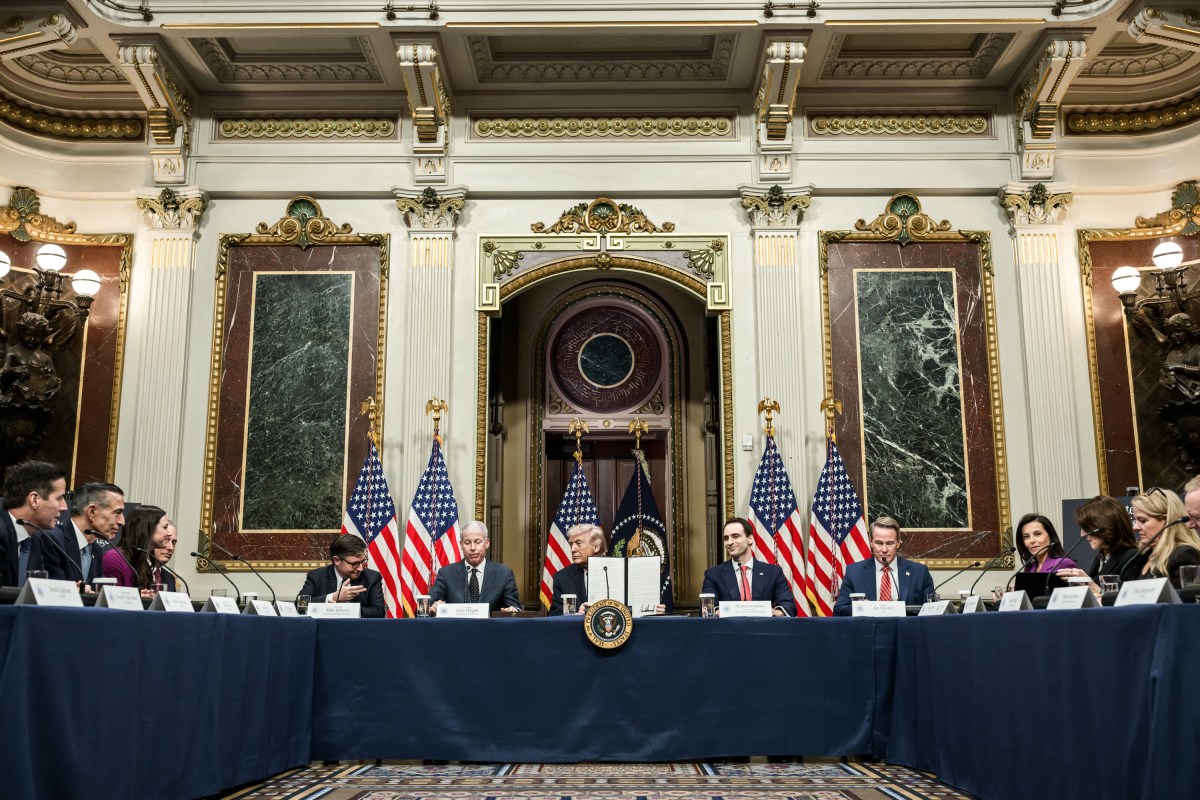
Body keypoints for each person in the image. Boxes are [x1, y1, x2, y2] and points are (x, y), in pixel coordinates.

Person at [834, 516, 935, 616]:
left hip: (906, 630)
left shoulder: (920, 573)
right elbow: (839, 610)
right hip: (869, 630)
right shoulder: (854, 572)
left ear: (898, 543)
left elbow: (933, 610)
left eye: (890, 543)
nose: (884, 549)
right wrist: (864, 608)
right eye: (879, 543)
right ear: (871, 543)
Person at [700, 517, 796, 617]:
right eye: (726, 538)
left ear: (750, 539)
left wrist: (776, 613)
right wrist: (718, 612)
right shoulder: (713, 575)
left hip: (764, 629)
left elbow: (789, 605)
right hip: (728, 630)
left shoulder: (773, 572)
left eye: (735, 536)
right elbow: (707, 608)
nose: (729, 542)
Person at [1056, 495, 1144, 596]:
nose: (1082, 534)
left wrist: (1089, 584)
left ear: (1105, 526)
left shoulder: (1132, 558)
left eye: (1087, 528)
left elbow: (1128, 601)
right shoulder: (1100, 557)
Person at [0, 460, 68, 587]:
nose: (64, 507)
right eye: (59, 498)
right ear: (34, 500)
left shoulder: (36, 540)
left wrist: (66, 591)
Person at [430, 520, 521, 613]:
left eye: (477, 542)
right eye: (467, 542)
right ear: (461, 545)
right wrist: (433, 607)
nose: (473, 548)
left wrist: (512, 610)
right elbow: (426, 607)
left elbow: (515, 608)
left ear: (487, 543)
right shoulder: (446, 574)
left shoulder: (504, 574)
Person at [50, 482, 124, 586]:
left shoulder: (96, 550)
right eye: (117, 513)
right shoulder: (52, 541)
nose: (122, 521)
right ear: (92, 512)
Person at [299, 534, 386, 618]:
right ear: (337, 560)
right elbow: (300, 605)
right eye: (355, 564)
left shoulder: (372, 578)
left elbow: (379, 611)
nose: (360, 568)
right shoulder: (317, 576)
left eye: (363, 561)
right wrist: (333, 597)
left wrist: (345, 610)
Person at [1129, 488, 1200, 589]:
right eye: (1136, 520)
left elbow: (1185, 601)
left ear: (1167, 520)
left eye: (1143, 520)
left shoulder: (1184, 555)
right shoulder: (1142, 555)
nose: (1135, 527)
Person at [103, 505, 172, 594]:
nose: (169, 533)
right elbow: (110, 599)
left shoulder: (147, 560)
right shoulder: (113, 558)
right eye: (165, 527)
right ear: (148, 528)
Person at [549, 523, 606, 616]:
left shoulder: (617, 572)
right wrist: (576, 616)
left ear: (596, 547)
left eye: (578, 543)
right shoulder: (562, 578)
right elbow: (555, 616)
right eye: (571, 544)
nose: (572, 549)